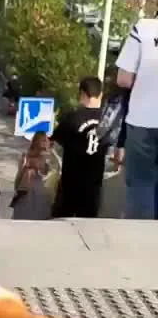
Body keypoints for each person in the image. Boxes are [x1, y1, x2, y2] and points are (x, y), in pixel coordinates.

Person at [116, 13, 158, 219]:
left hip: (143, 122)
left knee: (141, 185)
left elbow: (124, 79)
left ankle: (142, 234)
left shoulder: (143, 29)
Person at [51, 76, 107, 219]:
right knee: (88, 221)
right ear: (101, 94)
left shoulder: (72, 117)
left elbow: (54, 143)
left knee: (64, 220)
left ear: (82, 94)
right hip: (95, 181)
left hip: (71, 180)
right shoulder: (106, 120)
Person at [11, 131, 53, 220]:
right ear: (37, 142)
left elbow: (48, 174)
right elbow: (19, 175)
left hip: (37, 194)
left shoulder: (47, 157)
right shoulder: (28, 157)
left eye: (46, 141)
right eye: (43, 140)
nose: (46, 143)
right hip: (30, 193)